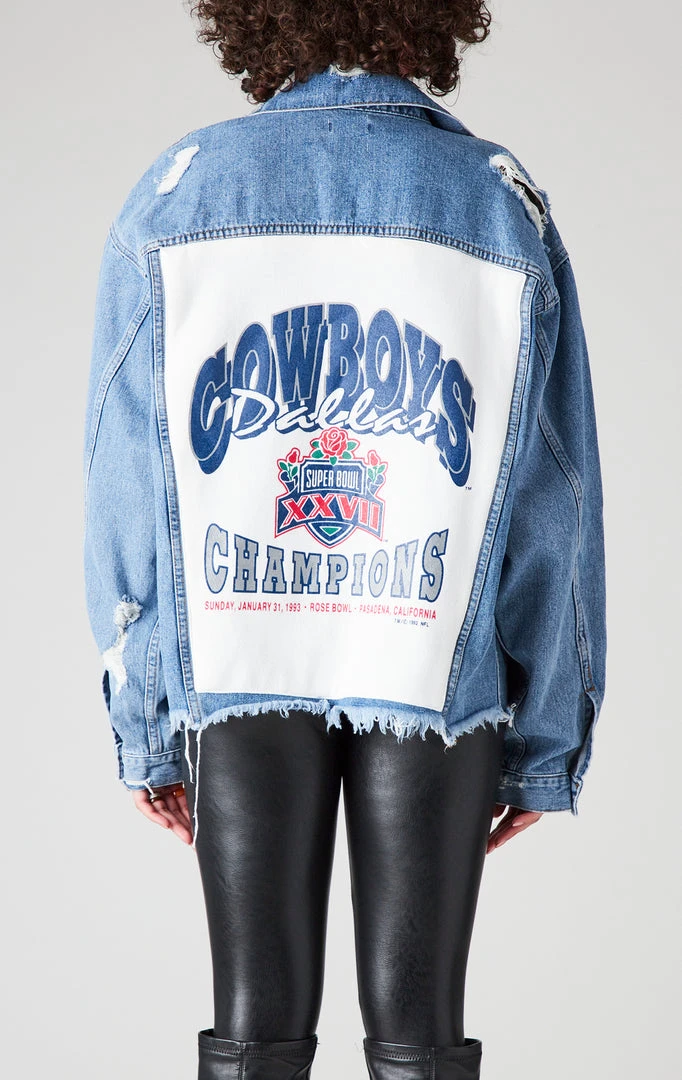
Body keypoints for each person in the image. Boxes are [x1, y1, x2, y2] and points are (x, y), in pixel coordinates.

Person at [82, 3, 607, 1077]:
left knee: (253, 1019)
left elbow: (123, 475)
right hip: (433, 661)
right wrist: (545, 737)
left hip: (237, 649)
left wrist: (144, 720)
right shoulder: (496, 199)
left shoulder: (180, 192)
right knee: (420, 1029)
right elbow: (554, 490)